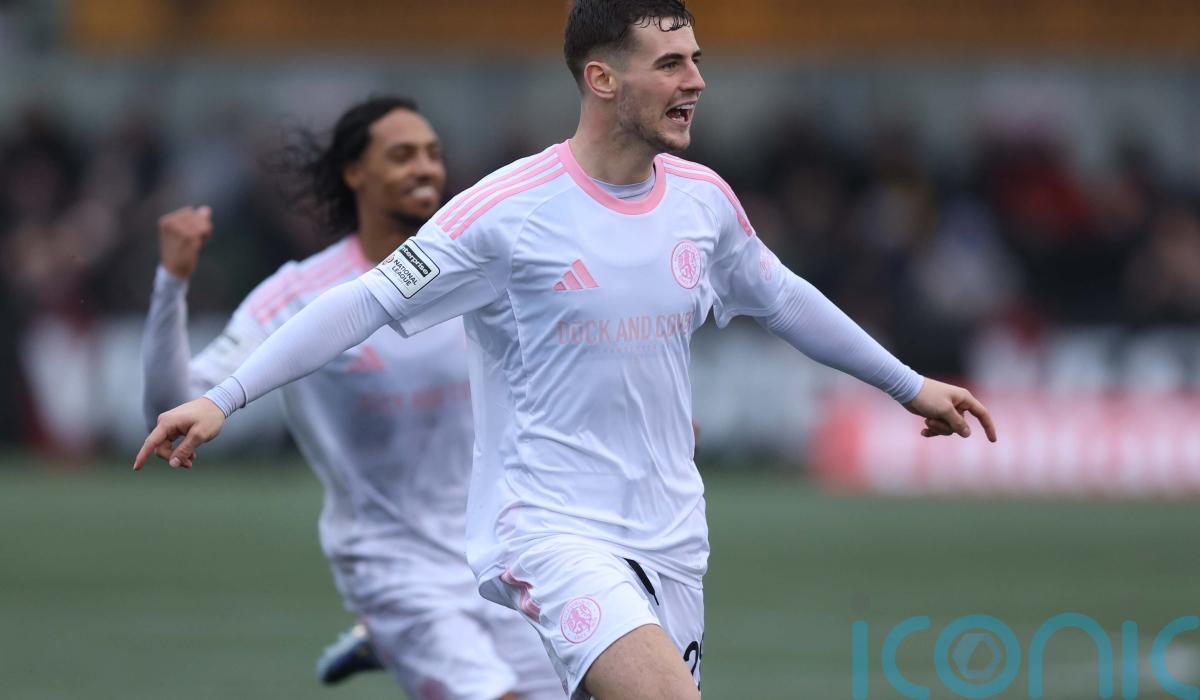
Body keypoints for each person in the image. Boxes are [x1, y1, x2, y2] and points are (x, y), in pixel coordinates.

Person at [135, 4, 998, 699]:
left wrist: (909, 385)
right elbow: (363, 300)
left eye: (697, 61)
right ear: (602, 78)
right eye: (671, 63)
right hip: (548, 531)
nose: (697, 81)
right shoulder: (506, 212)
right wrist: (224, 396)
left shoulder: (703, 201)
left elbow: (783, 298)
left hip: (670, 532)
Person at [139, 96, 562, 700]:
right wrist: (171, 283)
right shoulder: (301, 292)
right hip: (392, 565)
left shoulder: (479, 270)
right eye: (402, 154)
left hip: (501, 549)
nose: (425, 167)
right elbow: (172, 406)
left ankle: (383, 642)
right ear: (355, 172)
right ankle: (390, 630)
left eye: (433, 154)